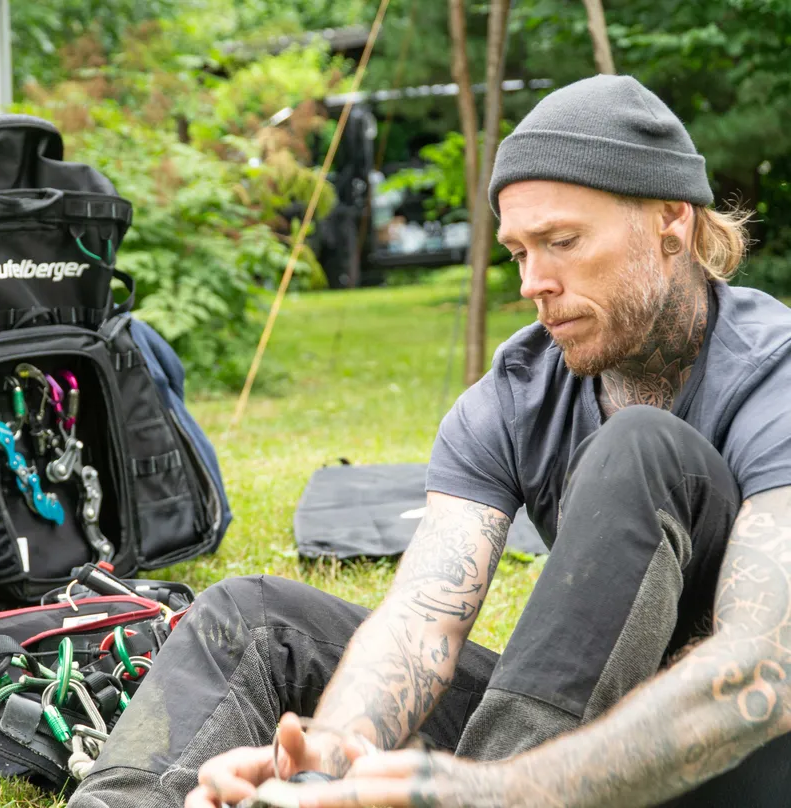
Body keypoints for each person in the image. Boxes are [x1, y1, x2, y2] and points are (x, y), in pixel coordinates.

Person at [68, 75, 791, 808]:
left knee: (643, 448)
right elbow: (420, 627)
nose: (534, 283)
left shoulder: (776, 376)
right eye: (519, 252)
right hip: (558, 747)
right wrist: (326, 768)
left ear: (671, 221)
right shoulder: (514, 396)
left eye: (562, 242)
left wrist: (500, 789)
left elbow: (764, 671)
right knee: (251, 620)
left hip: (737, 752)